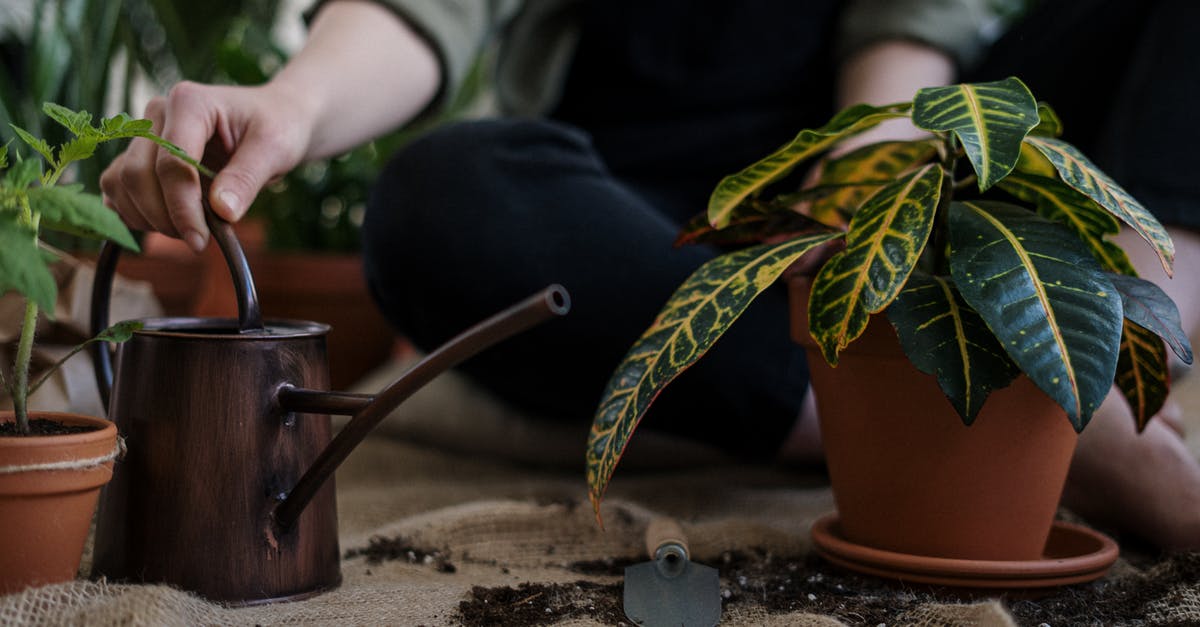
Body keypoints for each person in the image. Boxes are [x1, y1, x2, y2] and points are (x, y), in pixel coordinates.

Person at [99, 0, 1200, 550]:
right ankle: (939, 406)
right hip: (638, 225)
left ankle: (1126, 357)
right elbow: (424, 15)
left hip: (869, 155)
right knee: (441, 201)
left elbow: (909, 40)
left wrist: (868, 197)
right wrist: (287, 112)